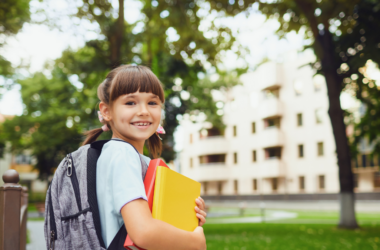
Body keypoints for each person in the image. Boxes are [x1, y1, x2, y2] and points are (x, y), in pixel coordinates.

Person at [82, 65, 207, 250]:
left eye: (152, 103)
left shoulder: (112, 154)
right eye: (131, 102)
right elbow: (143, 232)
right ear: (106, 111)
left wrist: (187, 219)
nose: (144, 111)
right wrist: (195, 242)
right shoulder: (122, 154)